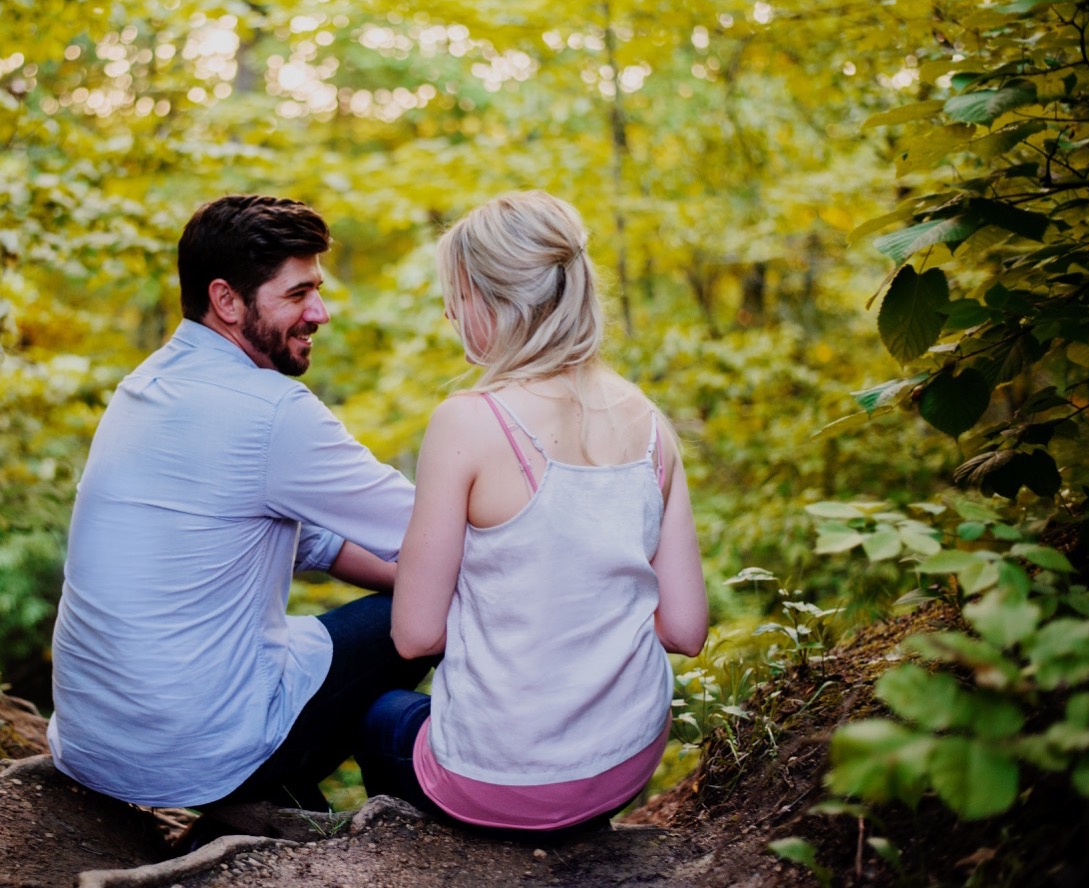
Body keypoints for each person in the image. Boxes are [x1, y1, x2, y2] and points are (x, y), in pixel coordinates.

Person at [48, 194, 434, 812]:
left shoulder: (143, 387)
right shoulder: (272, 411)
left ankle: (283, 792)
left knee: (419, 594)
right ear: (226, 300)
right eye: (298, 294)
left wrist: (415, 580)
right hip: (196, 754)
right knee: (432, 607)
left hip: (97, 745)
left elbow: (323, 543)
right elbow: (437, 534)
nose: (321, 313)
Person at [360, 190, 708, 835]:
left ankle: (432, 858)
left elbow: (415, 636)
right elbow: (685, 630)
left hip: (496, 783)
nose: (448, 312)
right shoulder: (651, 424)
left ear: (501, 301)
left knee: (382, 715)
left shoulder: (468, 420)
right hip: (623, 765)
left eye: (459, 295)